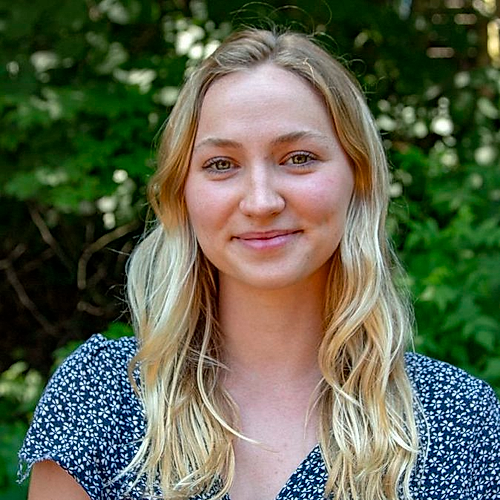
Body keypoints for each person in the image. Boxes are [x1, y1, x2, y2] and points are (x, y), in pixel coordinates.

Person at [19, 28, 500, 500]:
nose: (261, 201)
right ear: (181, 193)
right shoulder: (100, 400)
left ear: (358, 178)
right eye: (221, 164)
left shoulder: (462, 420)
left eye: (298, 158)